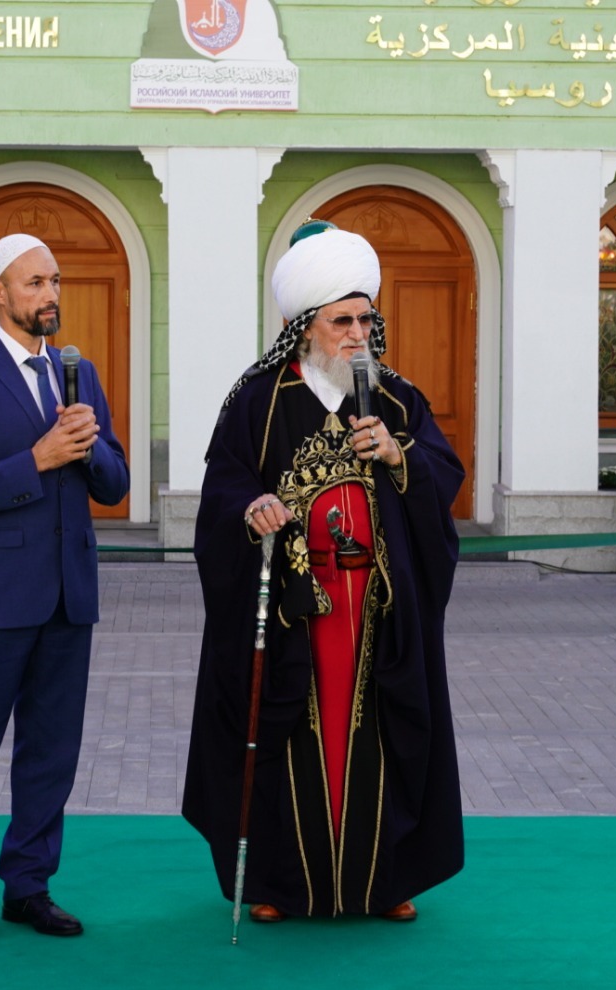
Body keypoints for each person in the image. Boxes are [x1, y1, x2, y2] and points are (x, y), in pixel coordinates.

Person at [183, 222, 465, 924]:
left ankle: (383, 879)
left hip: (378, 614)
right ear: (302, 326)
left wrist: (399, 457)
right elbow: (222, 490)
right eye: (342, 321)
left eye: (366, 319)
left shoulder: (397, 401)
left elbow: (443, 476)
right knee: (284, 735)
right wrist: (252, 508)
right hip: (295, 611)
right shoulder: (258, 401)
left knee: (385, 732)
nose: (358, 334)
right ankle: (281, 883)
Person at [0, 234, 129, 947]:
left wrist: (90, 448)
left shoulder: (79, 372)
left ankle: (30, 887)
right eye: (34, 282)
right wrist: (35, 460)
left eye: (55, 281)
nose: (50, 294)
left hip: (69, 597)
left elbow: (115, 484)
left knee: (51, 754)